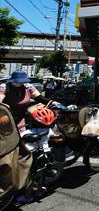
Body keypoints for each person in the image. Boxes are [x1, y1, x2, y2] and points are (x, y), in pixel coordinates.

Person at [0, 70, 58, 204]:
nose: (21, 83)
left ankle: (22, 178)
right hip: (5, 123)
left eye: (22, 81)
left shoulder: (28, 87)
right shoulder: (4, 88)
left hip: (21, 123)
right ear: (12, 81)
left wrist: (53, 102)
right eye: (18, 81)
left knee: (21, 150)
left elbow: (39, 98)